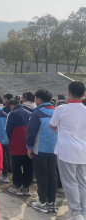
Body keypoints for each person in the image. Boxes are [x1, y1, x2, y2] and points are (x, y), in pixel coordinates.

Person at [50, 81, 86, 220]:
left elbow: (52, 126)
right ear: (83, 94)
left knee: (70, 182)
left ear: (68, 93)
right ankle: (83, 212)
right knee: (82, 182)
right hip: (83, 152)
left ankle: (76, 213)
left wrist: (60, 130)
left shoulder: (61, 109)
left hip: (67, 152)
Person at [26, 89, 58, 213]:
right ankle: (52, 202)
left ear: (39, 99)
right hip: (55, 150)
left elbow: (31, 133)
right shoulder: (57, 112)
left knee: (41, 176)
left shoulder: (37, 113)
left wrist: (29, 148)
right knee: (53, 176)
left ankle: (42, 202)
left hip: (40, 151)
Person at [5, 99, 33, 196]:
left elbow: (8, 129)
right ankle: (26, 187)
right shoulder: (30, 113)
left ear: (11, 106)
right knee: (28, 166)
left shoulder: (13, 113)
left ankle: (18, 186)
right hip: (28, 145)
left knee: (16, 166)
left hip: (16, 143)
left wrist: (11, 139)